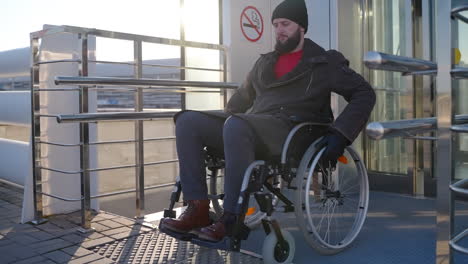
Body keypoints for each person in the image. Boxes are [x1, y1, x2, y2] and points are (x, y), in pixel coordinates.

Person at [160, 0, 376, 243]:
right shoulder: (265, 62)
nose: (279, 29)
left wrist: (340, 134)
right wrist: (219, 125)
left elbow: (365, 93)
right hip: (255, 125)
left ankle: (231, 217)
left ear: (302, 28)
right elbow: (240, 101)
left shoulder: (325, 63)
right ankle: (197, 208)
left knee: (237, 125)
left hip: (291, 131)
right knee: (188, 120)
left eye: (286, 23)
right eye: (275, 24)